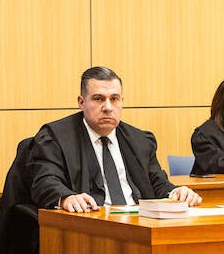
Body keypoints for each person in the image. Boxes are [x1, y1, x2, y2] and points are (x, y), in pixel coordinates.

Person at [30, 66, 203, 212]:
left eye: (114, 99)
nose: (108, 107)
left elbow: (157, 183)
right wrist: (66, 197)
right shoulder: (56, 137)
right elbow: (45, 181)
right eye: (98, 99)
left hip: (139, 224)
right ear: (81, 102)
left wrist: (176, 192)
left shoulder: (140, 140)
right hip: (91, 223)